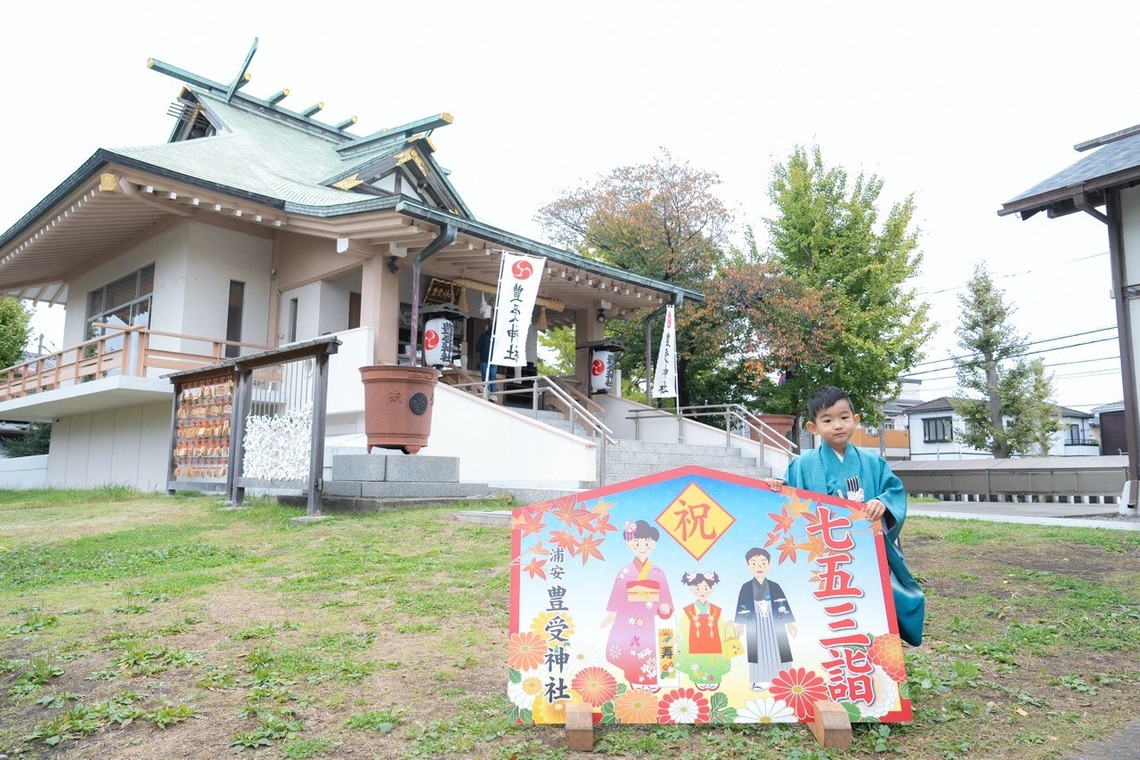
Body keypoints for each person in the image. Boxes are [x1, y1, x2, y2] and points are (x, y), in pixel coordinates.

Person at [778, 385, 925, 646]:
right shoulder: (801, 465)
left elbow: (894, 491)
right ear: (813, 427)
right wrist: (776, 487)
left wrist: (882, 502)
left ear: (856, 420)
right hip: (821, 556)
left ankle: (869, 651)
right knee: (825, 607)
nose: (838, 425)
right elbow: (787, 500)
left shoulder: (872, 462)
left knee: (866, 601)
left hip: (863, 552)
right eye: (827, 420)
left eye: (844, 417)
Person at [601, 520, 673, 691]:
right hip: (629, 617)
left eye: (646, 543)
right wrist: (612, 614)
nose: (642, 547)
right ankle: (636, 679)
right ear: (629, 544)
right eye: (637, 543)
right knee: (632, 648)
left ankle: (652, 680)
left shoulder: (658, 573)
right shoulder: (624, 572)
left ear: (653, 544)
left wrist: (665, 608)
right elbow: (618, 595)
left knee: (650, 647)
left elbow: (665, 599)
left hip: (651, 617)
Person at [734, 548, 796, 690]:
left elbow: (782, 604)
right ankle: (759, 680)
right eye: (754, 563)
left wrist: (789, 623)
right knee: (758, 652)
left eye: (763, 563)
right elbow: (743, 606)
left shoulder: (774, 586)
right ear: (747, 566)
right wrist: (740, 624)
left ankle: (784, 679)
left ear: (769, 565)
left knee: (779, 650)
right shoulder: (746, 587)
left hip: (774, 621)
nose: (759, 567)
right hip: (754, 623)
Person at [674, 571, 732, 691]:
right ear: (692, 589)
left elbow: (722, 627)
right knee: (696, 663)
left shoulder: (716, 610)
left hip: (714, 643)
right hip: (695, 642)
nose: (702, 592)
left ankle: (713, 680)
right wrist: (676, 636)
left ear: (712, 589)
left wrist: (728, 628)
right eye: (698, 588)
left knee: (714, 662)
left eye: (706, 588)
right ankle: (699, 680)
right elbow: (681, 626)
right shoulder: (689, 610)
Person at [475, 327, 497, 394]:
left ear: (488, 328)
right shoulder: (497, 337)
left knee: (485, 378)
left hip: (485, 360)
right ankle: (494, 395)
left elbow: (478, 349)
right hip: (494, 360)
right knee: (493, 378)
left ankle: (487, 394)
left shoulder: (484, 336)